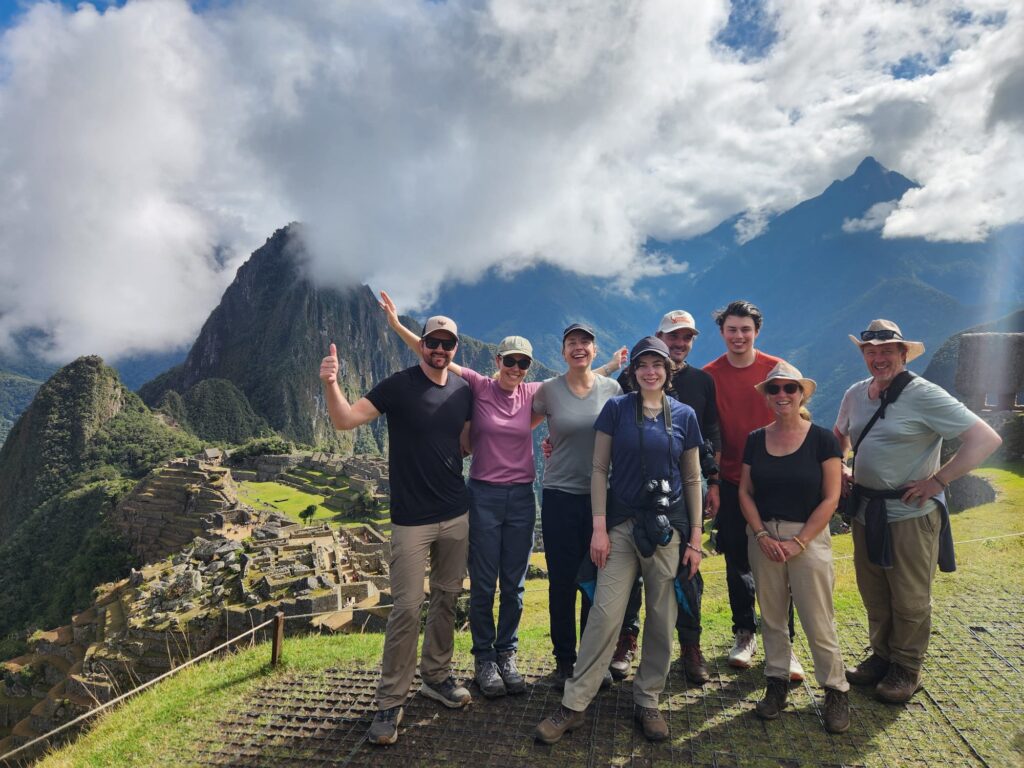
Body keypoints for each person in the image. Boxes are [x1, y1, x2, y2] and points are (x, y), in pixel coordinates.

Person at [535, 336, 704, 745]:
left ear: (668, 371)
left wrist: (695, 537)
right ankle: (575, 703)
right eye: (644, 365)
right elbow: (598, 470)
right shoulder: (616, 410)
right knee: (605, 615)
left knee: (662, 617)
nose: (650, 371)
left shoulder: (684, 416)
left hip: (666, 529)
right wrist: (598, 527)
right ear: (634, 371)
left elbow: (693, 477)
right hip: (622, 526)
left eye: (658, 366)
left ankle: (648, 700)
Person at [379, 291, 544, 699]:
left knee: (516, 585)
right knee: (484, 584)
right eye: (510, 360)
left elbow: (578, 387)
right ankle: (484, 659)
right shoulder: (477, 384)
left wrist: (612, 365)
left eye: (523, 362)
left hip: (523, 497)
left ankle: (507, 654)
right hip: (484, 494)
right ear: (497, 361)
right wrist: (397, 325)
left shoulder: (534, 392)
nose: (516, 368)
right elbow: (437, 353)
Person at [319, 316, 473, 746]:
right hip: (411, 520)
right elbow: (345, 421)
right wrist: (331, 384)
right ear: (422, 343)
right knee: (406, 609)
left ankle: (437, 676)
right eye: (433, 342)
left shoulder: (463, 391)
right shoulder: (397, 385)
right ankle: (390, 699)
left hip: (456, 514)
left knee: (446, 598)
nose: (440, 349)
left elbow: (468, 443)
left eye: (447, 344)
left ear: (455, 348)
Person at [835, 319, 1001, 703]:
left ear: (903, 353)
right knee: (873, 590)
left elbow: (985, 438)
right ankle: (881, 656)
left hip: (909, 514)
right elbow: (838, 435)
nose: (878, 358)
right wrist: (841, 464)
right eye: (870, 352)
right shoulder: (856, 394)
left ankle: (907, 668)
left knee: (909, 597)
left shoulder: (925, 395)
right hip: (865, 511)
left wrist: (938, 481)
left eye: (887, 351)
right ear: (863, 354)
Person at [609, 309, 722, 684]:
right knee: (633, 574)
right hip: (634, 498)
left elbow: (711, 433)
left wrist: (714, 482)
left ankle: (691, 646)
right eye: (673, 337)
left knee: (687, 574)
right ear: (660, 336)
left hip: (682, 492)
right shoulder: (634, 381)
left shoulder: (702, 383)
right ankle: (627, 640)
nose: (680, 343)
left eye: (687, 337)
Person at [738, 362, 850, 734]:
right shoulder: (756, 439)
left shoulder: (822, 439)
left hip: (809, 537)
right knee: (771, 616)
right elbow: (745, 492)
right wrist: (761, 535)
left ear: (802, 394)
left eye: (789, 388)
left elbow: (831, 497)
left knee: (818, 617)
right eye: (775, 389)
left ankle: (835, 689)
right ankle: (776, 682)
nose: (782, 395)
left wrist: (799, 541)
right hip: (765, 538)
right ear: (767, 396)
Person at [704, 300, 801, 678]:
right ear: (722, 332)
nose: (739, 336)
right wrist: (712, 481)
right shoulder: (709, 376)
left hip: (774, 482)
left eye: (746, 329)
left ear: (756, 331)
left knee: (780, 563)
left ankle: (785, 644)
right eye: (732, 329)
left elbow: (797, 418)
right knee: (737, 561)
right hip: (729, 481)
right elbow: (708, 433)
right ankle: (744, 633)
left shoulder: (776, 371)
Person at [532, 323, 624, 686]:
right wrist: (548, 443)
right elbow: (525, 424)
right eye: (572, 342)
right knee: (562, 581)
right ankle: (564, 661)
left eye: (585, 342)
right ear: (563, 351)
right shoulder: (549, 391)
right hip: (559, 495)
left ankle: (590, 661)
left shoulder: (612, 390)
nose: (579, 347)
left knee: (596, 581)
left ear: (595, 350)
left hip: (602, 499)